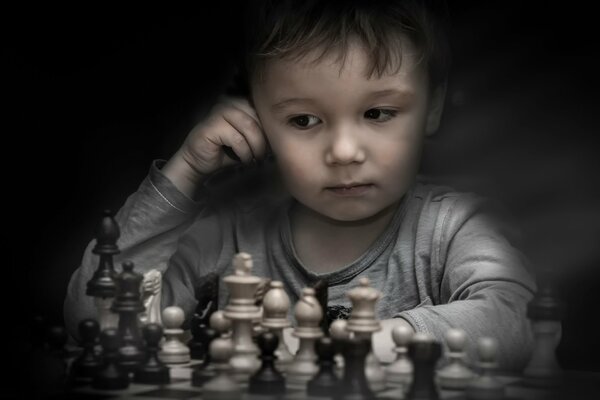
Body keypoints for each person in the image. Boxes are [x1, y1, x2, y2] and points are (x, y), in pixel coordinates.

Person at [64, 0, 535, 371]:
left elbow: (512, 323)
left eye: (377, 113)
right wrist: (184, 170)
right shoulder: (226, 239)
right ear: (256, 121)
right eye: (304, 119)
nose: (345, 151)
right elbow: (94, 324)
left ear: (431, 107)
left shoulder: (458, 228)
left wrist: (363, 342)